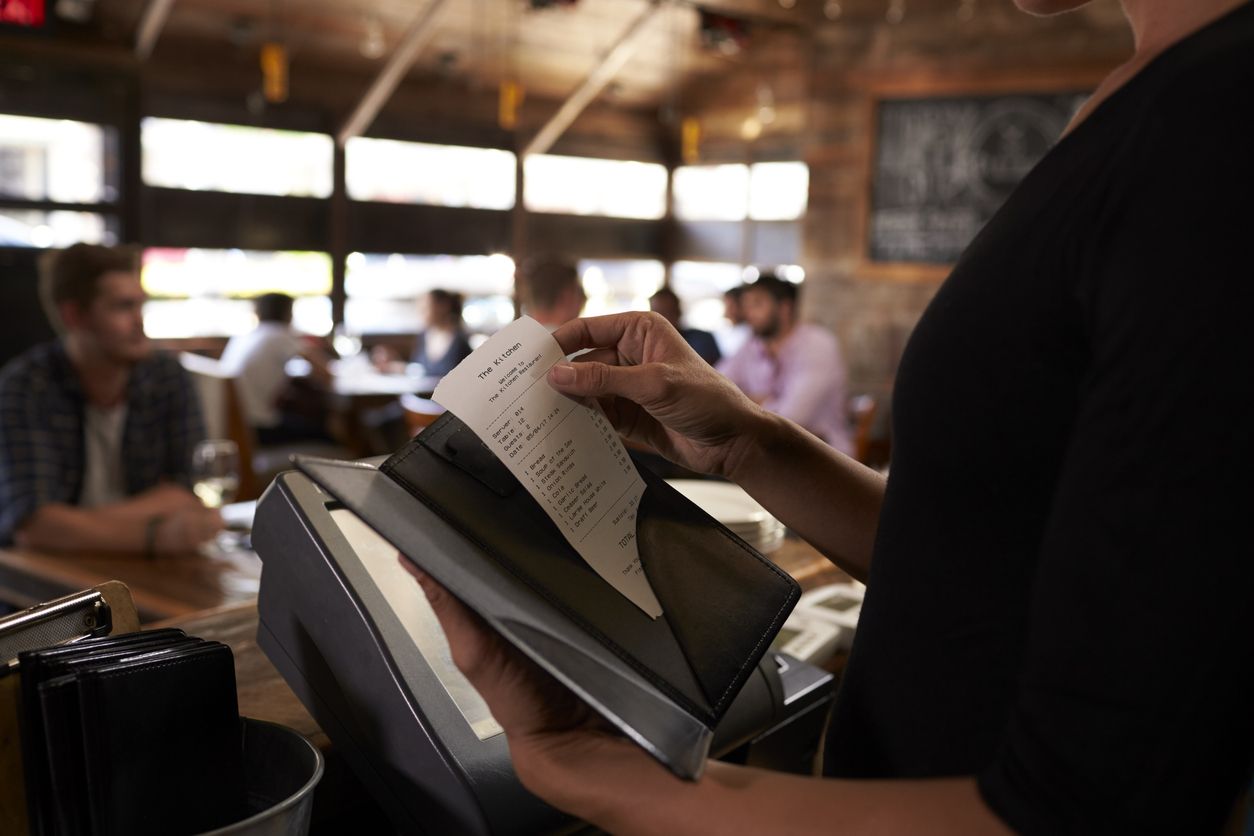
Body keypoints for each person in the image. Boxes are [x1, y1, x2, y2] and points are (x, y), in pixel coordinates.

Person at [402, 0, 1254, 832]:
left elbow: (1092, 805)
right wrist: (747, 442)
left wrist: (582, 764)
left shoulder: (1216, 126)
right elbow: (989, 568)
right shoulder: (1153, 98)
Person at [0, 244, 221, 555]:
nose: (139, 322)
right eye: (122, 307)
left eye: (140, 306)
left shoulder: (167, 377)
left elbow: (189, 490)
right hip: (49, 582)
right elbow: (33, 527)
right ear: (74, 316)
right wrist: (154, 536)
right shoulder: (27, 386)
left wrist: (71, 526)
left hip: (143, 573)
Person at [718, 272, 853, 454]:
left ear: (784, 308)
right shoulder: (751, 345)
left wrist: (746, 399)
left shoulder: (817, 344)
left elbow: (792, 418)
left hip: (822, 455)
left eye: (757, 304)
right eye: (746, 305)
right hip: (766, 450)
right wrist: (765, 402)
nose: (748, 313)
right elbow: (715, 385)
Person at [218, 292, 334, 446]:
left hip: (235, 423)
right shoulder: (279, 334)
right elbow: (326, 373)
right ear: (288, 313)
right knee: (328, 432)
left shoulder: (246, 335)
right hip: (259, 427)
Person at [649, 286, 721, 366]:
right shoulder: (646, 347)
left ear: (679, 312)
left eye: (668, 312)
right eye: (657, 313)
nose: (662, 319)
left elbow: (718, 371)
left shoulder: (702, 340)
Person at [409, 289, 473, 377]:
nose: (421, 312)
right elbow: (421, 369)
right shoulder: (424, 336)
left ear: (443, 306)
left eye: (426, 307)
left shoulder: (460, 341)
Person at [519, 257, 586, 330]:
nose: (583, 300)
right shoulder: (575, 340)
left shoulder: (514, 338)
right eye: (578, 294)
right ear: (567, 297)